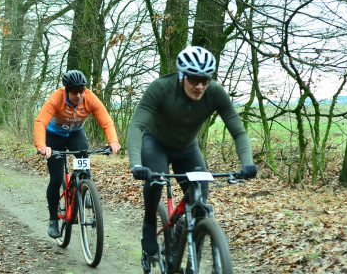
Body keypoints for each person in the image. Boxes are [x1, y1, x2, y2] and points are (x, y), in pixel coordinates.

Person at [127, 45, 257, 256]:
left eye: (204, 80)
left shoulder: (215, 92)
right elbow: (136, 126)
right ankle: (149, 224)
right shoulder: (161, 88)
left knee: (199, 202)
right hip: (156, 143)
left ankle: (192, 270)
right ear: (182, 76)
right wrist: (136, 163)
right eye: (193, 79)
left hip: (187, 148)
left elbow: (239, 132)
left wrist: (247, 163)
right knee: (156, 180)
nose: (199, 86)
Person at [34, 69, 121, 238]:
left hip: (75, 134)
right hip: (55, 137)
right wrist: (42, 145)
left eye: (81, 92)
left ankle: (85, 187)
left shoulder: (89, 98)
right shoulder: (56, 98)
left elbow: (106, 121)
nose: (79, 96)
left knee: (83, 160)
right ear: (67, 91)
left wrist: (113, 141)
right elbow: (40, 122)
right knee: (56, 178)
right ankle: (53, 219)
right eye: (75, 93)